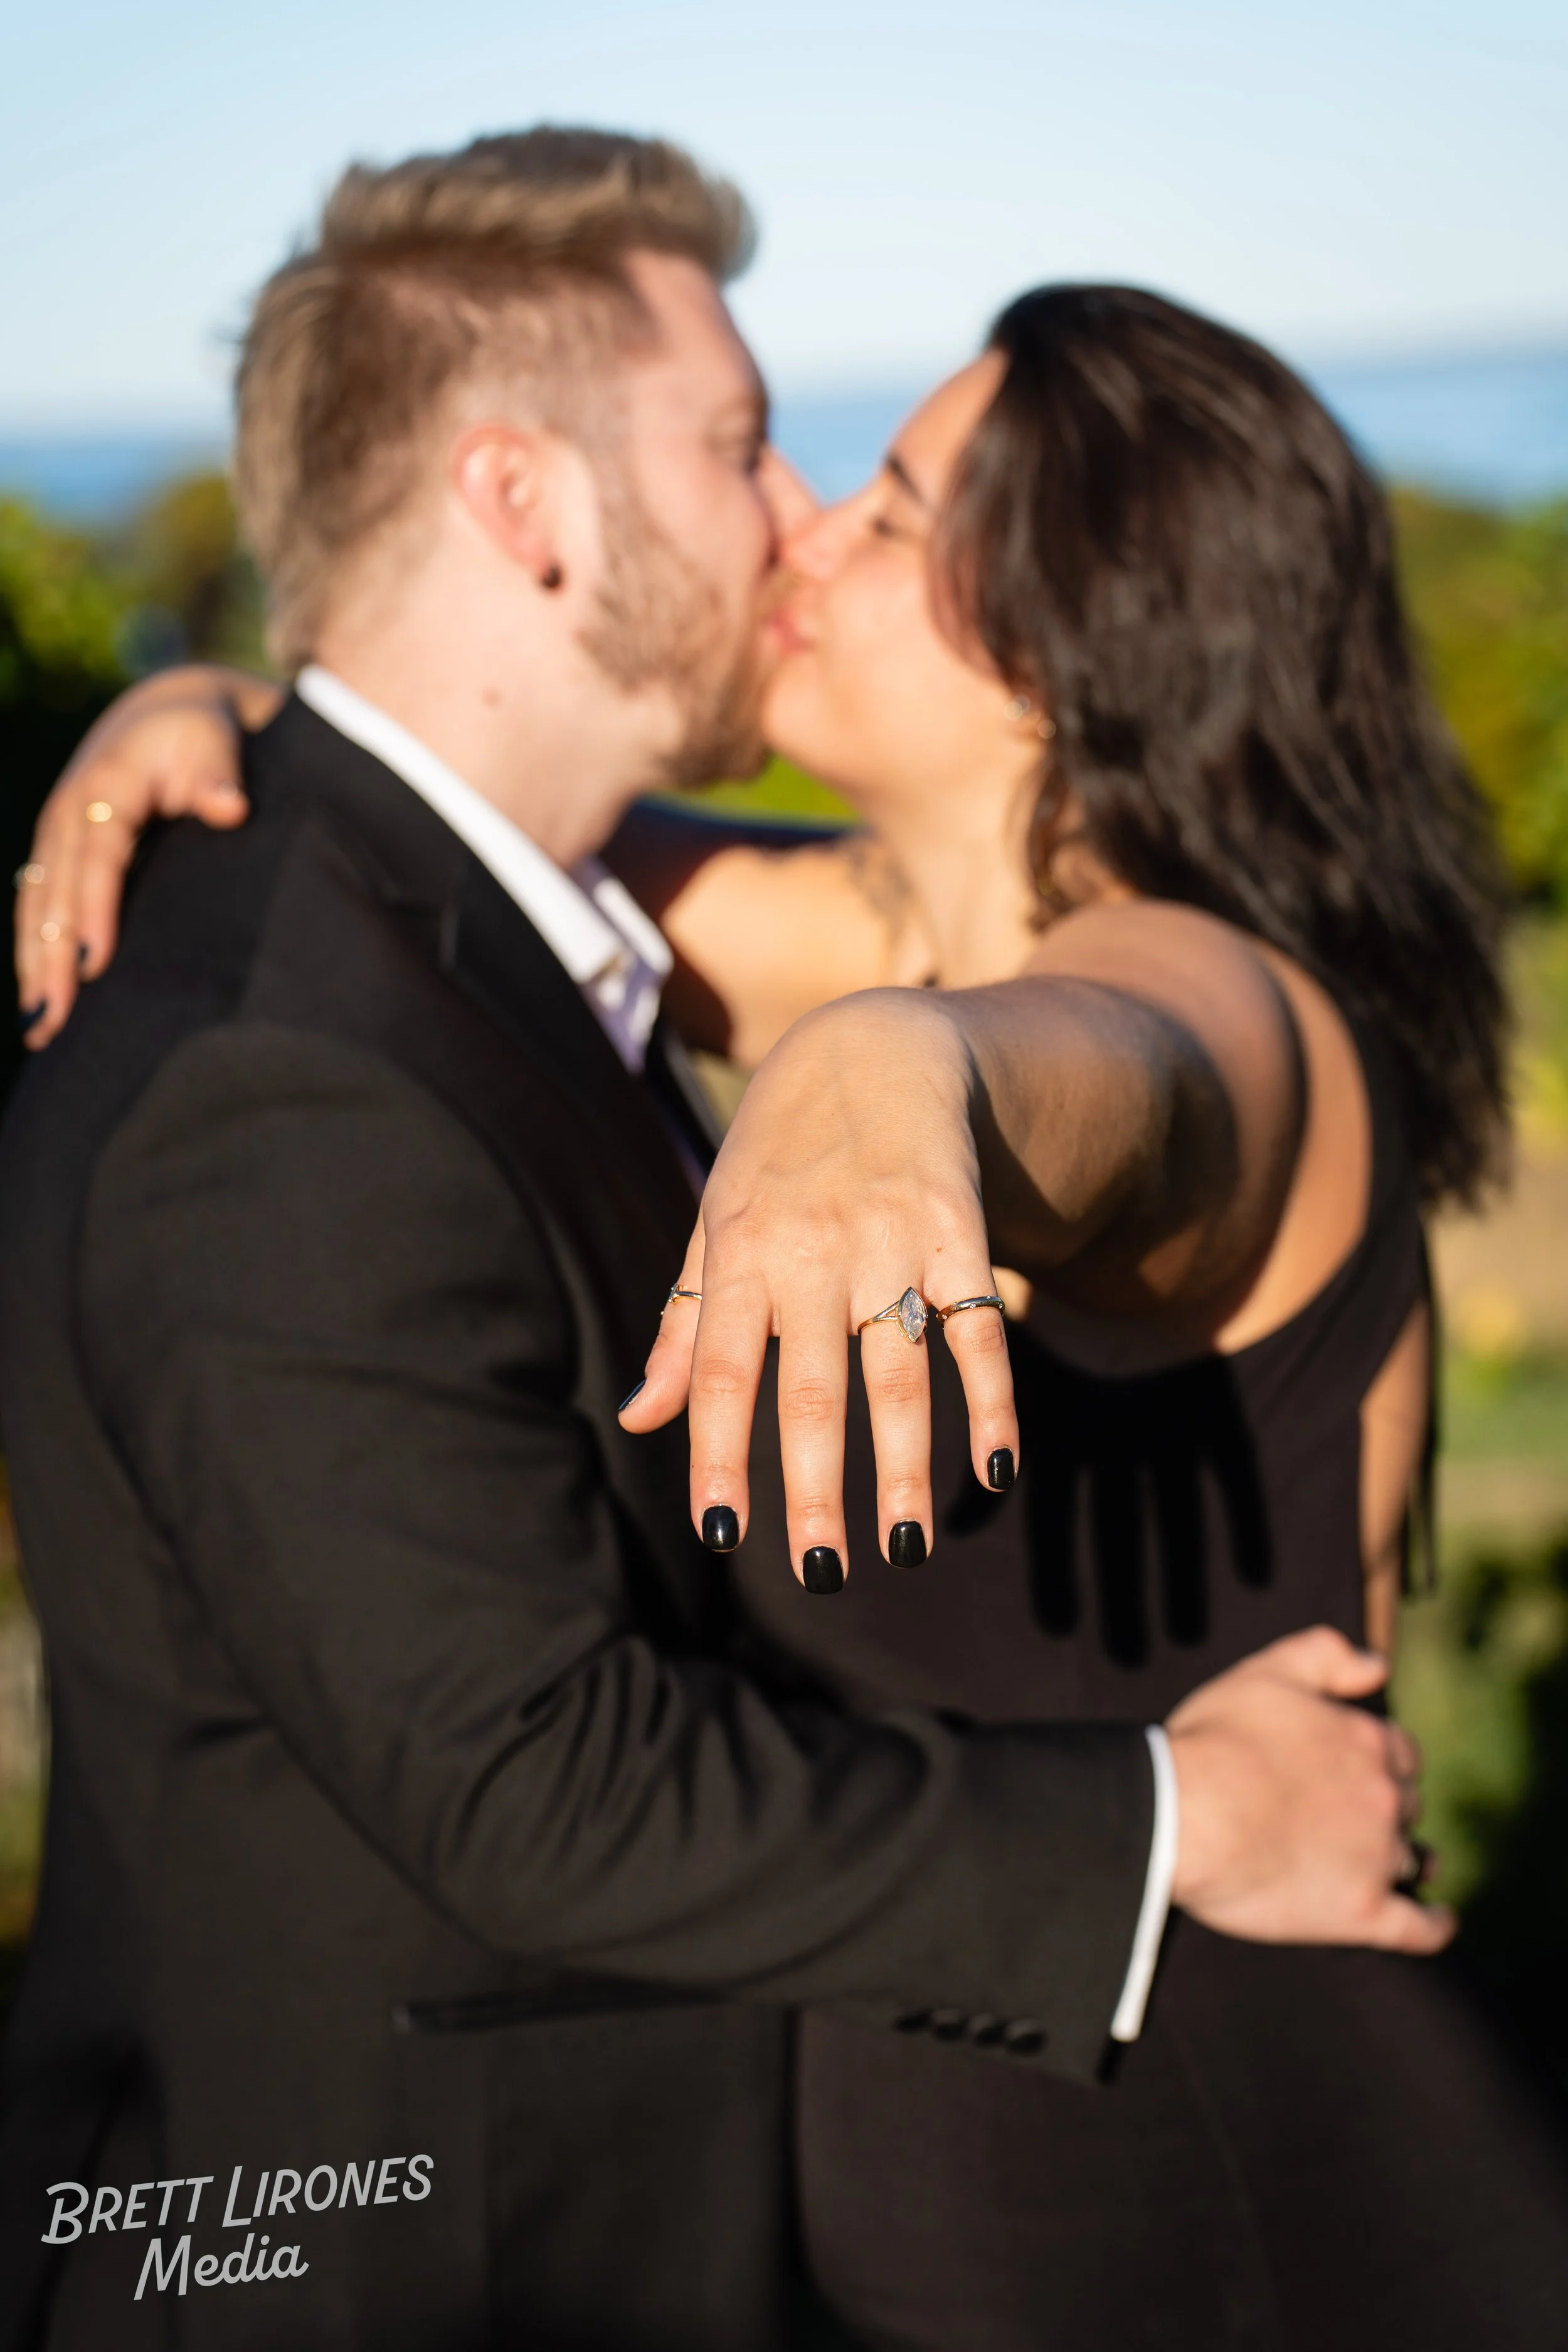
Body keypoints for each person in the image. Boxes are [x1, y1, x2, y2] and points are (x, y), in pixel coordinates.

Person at [0, 137, 1439, 2352]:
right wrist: (208, 713)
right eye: (776, 457)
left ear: (1073, 641)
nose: (802, 527)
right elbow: (435, 820)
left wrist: (900, 1078)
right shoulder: (765, 922)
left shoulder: (1205, 998)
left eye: (877, 504)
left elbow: (1116, 1075)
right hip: (875, 2203)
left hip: (1189, 2174)